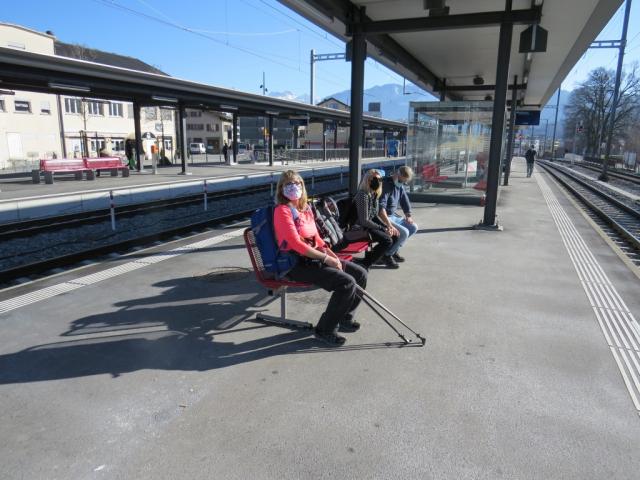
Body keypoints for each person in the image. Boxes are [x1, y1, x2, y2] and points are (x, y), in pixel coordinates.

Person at [273, 170, 368, 346]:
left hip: (313, 258)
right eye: (288, 184)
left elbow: (317, 239)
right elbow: (296, 244)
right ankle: (325, 329)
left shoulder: (306, 209)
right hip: (296, 264)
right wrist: (326, 259)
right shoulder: (282, 211)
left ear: (303, 186)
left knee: (360, 274)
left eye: (297, 183)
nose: (294, 187)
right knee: (346, 283)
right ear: (281, 189)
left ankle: (344, 317)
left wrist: (333, 257)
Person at [352, 169, 399, 269]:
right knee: (387, 240)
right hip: (360, 227)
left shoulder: (374, 194)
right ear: (367, 180)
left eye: (379, 180)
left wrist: (387, 226)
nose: (377, 182)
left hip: (369, 225)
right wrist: (382, 228)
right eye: (374, 179)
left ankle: (375, 258)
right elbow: (364, 220)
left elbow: (374, 215)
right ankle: (366, 263)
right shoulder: (362, 195)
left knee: (394, 235)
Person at [378, 166, 418, 263]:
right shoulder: (386, 185)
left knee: (413, 227)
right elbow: (381, 209)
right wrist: (389, 225)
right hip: (384, 217)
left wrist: (408, 215)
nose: (401, 183)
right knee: (404, 232)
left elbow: (404, 199)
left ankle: (394, 250)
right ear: (396, 174)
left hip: (393, 216)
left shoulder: (399, 186)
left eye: (404, 182)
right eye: (400, 181)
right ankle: (386, 255)